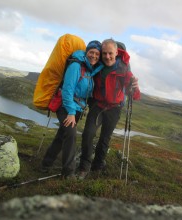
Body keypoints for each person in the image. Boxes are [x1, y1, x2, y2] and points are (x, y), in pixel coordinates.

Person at [40, 40, 104, 179]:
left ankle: (46, 164)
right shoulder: (76, 66)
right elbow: (67, 91)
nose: (94, 56)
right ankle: (68, 172)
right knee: (71, 135)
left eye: (97, 54)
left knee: (61, 136)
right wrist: (70, 112)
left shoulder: (90, 70)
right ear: (87, 52)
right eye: (91, 52)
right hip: (66, 106)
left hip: (77, 108)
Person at [78, 38, 140, 179]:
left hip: (114, 108)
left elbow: (134, 95)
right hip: (97, 105)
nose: (107, 57)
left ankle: (97, 166)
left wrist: (134, 88)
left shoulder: (124, 69)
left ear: (116, 52)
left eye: (110, 53)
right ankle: (84, 167)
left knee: (104, 139)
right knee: (88, 134)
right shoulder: (98, 65)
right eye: (104, 53)